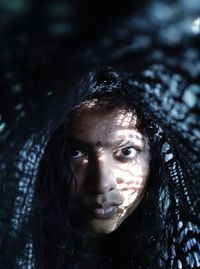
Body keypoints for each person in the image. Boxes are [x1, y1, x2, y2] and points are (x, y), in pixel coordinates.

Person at [34, 66, 200, 269]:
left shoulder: (181, 253)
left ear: (153, 159)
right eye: (75, 152)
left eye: (127, 151)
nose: (102, 184)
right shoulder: (19, 247)